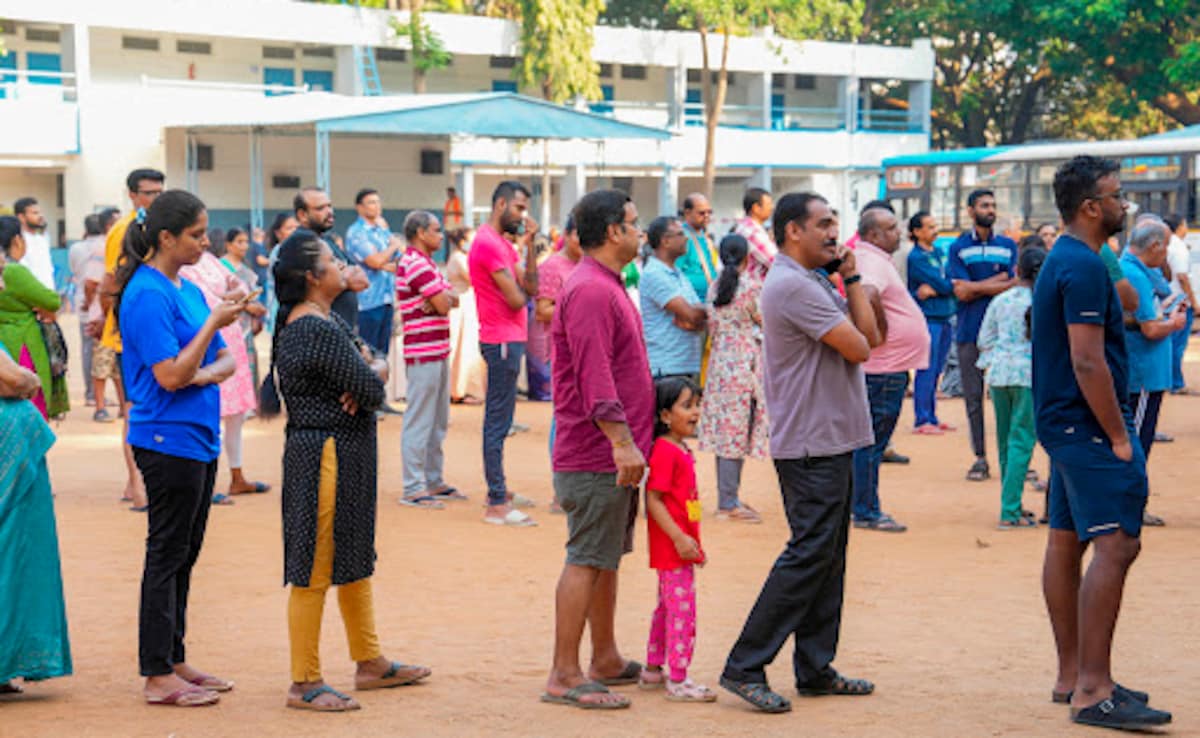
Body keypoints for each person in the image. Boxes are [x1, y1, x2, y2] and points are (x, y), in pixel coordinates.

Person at [720, 192, 880, 713]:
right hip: (812, 441)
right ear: (793, 231)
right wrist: (852, 285)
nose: (834, 234)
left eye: (835, 224)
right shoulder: (792, 285)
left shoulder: (814, 280)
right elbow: (858, 347)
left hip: (830, 435)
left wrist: (852, 279)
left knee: (828, 556)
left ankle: (814, 666)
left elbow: (870, 336)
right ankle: (745, 664)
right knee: (809, 553)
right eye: (824, 225)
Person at [1033, 156, 1172, 731]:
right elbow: (1087, 359)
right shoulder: (1085, 266)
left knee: (1068, 541)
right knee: (1116, 545)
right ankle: (1094, 689)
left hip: (1063, 423)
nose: (1125, 206)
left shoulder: (1068, 258)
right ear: (1092, 207)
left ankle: (1076, 676)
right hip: (1086, 426)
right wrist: (1119, 435)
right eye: (1118, 197)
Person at [264, 229, 429, 713]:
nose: (342, 265)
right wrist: (368, 373)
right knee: (315, 568)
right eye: (332, 261)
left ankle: (369, 660)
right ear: (314, 278)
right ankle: (304, 680)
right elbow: (376, 387)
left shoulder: (320, 319)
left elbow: (373, 370)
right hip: (325, 455)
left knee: (353, 558)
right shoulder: (313, 327)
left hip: (339, 452)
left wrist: (368, 371)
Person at [114, 190, 246, 707]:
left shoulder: (183, 285)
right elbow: (170, 374)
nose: (204, 242)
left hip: (195, 435)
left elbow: (224, 363)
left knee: (184, 555)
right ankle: (155, 671)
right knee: (166, 554)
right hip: (165, 438)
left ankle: (174, 658)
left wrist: (201, 369)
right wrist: (210, 338)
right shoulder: (148, 294)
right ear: (165, 237)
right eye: (195, 234)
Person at [542, 189, 653, 710]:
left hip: (609, 452)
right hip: (596, 452)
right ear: (613, 232)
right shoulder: (590, 289)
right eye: (634, 223)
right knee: (587, 558)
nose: (640, 231)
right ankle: (564, 672)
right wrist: (621, 442)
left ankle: (604, 657)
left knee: (605, 557)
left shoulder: (604, 284)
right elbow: (595, 375)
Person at [0, 255, 72, 696]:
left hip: (15, 459)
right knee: (10, 556)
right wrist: (26, 379)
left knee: (16, 558)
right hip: (9, 465)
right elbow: (12, 381)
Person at [638, 375, 717, 703]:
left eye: (697, 404)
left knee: (668, 607)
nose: (695, 411)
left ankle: (654, 668)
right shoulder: (665, 451)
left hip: (680, 544)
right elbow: (653, 498)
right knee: (683, 610)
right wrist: (681, 539)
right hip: (674, 546)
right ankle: (679, 678)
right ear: (665, 415)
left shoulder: (678, 448)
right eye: (687, 406)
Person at [851, 207, 929, 533]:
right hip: (883, 369)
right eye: (891, 228)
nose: (898, 232)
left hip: (886, 367)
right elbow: (867, 294)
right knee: (871, 444)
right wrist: (879, 333)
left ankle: (862, 506)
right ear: (873, 235)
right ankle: (866, 510)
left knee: (870, 442)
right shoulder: (870, 261)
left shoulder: (874, 258)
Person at [468, 181, 540, 526]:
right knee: (497, 421)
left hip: (509, 337)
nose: (522, 215)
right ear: (500, 204)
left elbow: (531, 288)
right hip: (501, 339)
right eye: (519, 208)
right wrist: (522, 290)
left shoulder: (504, 244)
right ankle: (496, 502)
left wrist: (528, 248)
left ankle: (499, 491)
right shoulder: (488, 243)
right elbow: (516, 299)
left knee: (503, 419)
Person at [179, 236, 269, 504]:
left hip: (229, 338)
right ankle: (209, 481)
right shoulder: (183, 267)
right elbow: (205, 300)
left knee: (236, 414)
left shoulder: (211, 262)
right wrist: (228, 297)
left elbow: (237, 287)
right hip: (207, 340)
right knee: (212, 411)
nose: (204, 241)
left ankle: (237, 475)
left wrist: (228, 297)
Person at [100, 168, 165, 511]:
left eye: (159, 192)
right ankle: (139, 487)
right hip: (128, 339)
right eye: (148, 193)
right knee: (133, 410)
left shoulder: (160, 227)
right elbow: (109, 283)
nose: (154, 198)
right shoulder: (123, 231)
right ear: (132, 195)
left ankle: (136, 482)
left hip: (151, 331)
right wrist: (109, 325)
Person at [949, 189, 1018, 482]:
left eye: (993, 205)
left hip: (1007, 333)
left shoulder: (1009, 245)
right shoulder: (957, 247)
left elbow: (1015, 281)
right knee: (973, 398)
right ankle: (980, 458)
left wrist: (976, 286)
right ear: (970, 210)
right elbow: (959, 290)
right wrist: (997, 281)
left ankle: (1014, 460)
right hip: (969, 332)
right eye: (984, 205)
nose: (991, 210)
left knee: (1013, 398)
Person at [1119, 217, 1185, 529]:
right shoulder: (1133, 273)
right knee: (1138, 444)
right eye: (1165, 248)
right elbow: (1149, 328)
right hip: (1144, 372)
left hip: (1142, 370)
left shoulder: (1133, 268)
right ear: (1155, 246)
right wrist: (1172, 324)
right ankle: (1132, 506)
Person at [697, 233, 767, 524]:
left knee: (727, 432)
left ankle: (729, 496)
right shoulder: (751, 287)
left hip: (720, 362)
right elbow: (763, 319)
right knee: (736, 432)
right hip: (743, 362)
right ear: (747, 257)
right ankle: (728, 501)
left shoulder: (715, 287)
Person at [396, 211, 462, 509]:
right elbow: (445, 303)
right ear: (421, 233)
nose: (441, 234)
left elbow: (452, 298)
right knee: (421, 420)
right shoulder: (415, 263)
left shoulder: (425, 264)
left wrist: (443, 298)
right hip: (424, 350)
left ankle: (432, 480)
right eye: (436, 230)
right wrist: (442, 299)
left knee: (437, 421)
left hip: (436, 348)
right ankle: (413, 486)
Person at [977, 245, 1045, 529]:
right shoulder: (1046, 302)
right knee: (1022, 441)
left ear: (1017, 271)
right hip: (1028, 377)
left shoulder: (1002, 300)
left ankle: (1012, 502)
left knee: (1006, 442)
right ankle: (1010, 510)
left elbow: (984, 338)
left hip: (999, 375)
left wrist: (995, 358)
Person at [0, 217, 68, 420]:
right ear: (17, 240)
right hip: (23, 344)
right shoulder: (14, 270)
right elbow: (51, 300)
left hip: (6, 341)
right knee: (30, 405)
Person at [906, 211, 956, 434]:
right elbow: (946, 284)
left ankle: (932, 416)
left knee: (937, 369)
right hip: (928, 319)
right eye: (929, 227)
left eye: (935, 226)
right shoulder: (916, 257)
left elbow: (950, 281)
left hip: (944, 315)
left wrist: (942, 287)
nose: (935, 230)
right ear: (917, 232)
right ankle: (922, 418)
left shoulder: (938, 252)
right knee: (926, 368)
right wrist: (944, 287)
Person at [293, 187, 370, 330]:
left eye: (329, 206)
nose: (329, 212)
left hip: (344, 328)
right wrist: (344, 276)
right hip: (321, 330)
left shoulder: (328, 241)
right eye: (320, 208)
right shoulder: (301, 244)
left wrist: (340, 275)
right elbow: (323, 283)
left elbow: (361, 279)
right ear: (302, 214)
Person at [640, 216, 707, 379]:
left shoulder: (678, 273)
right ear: (666, 241)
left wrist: (698, 317)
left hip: (683, 365)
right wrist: (696, 315)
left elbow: (697, 317)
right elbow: (692, 314)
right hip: (667, 368)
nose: (686, 239)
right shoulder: (654, 274)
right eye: (680, 234)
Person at [536, 215, 582, 456]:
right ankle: (560, 472)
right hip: (563, 352)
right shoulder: (552, 266)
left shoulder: (587, 264)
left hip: (586, 349)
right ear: (566, 234)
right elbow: (543, 311)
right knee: (563, 415)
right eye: (578, 235)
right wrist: (579, 311)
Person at [346, 188, 400, 359]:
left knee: (382, 356)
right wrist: (390, 250)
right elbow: (375, 261)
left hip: (386, 299)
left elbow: (399, 257)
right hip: (367, 302)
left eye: (378, 202)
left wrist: (382, 261)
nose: (376, 206)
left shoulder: (381, 231)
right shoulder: (356, 233)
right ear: (359, 208)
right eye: (371, 202)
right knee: (367, 355)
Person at [220, 228, 267, 390]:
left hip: (246, 327)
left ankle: (249, 405)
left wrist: (258, 310)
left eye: (246, 242)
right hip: (227, 325)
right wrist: (246, 306)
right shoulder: (220, 268)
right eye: (239, 242)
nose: (244, 246)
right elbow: (218, 296)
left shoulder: (247, 271)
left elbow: (255, 297)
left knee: (247, 362)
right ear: (228, 245)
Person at [446, 227, 484, 404]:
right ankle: (456, 389)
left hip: (467, 304)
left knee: (467, 348)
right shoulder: (459, 259)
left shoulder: (462, 258)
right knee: (459, 347)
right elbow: (474, 279)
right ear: (462, 241)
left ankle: (463, 388)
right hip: (460, 306)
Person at [70, 214, 105, 406]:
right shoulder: (104, 245)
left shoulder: (76, 248)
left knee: (86, 349)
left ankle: (91, 393)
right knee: (104, 351)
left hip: (83, 302)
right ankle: (100, 395)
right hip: (99, 303)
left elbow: (75, 271)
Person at [1162, 215, 1194, 394]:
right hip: (1180, 302)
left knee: (1170, 343)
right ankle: (1176, 383)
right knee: (1178, 344)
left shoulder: (1168, 245)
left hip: (1167, 300)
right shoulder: (1179, 247)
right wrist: (1193, 302)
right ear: (1180, 226)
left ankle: (1169, 380)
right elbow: (1182, 277)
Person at [677, 193, 718, 299]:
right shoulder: (682, 237)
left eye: (709, 212)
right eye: (702, 213)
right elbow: (675, 274)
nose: (707, 216)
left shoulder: (702, 235)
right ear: (687, 213)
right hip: (692, 302)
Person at [265, 212, 299, 336]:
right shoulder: (280, 251)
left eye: (297, 227)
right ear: (278, 233)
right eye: (289, 228)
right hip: (281, 306)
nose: (294, 231)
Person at [13, 197, 55, 291]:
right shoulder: (18, 241)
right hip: (31, 299)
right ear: (21, 217)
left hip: (48, 295)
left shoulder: (42, 239)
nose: (40, 216)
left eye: (40, 212)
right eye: (35, 213)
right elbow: (23, 274)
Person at [733, 187, 776, 276]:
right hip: (754, 287)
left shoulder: (748, 227)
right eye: (769, 204)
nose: (772, 207)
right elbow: (775, 261)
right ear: (756, 208)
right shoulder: (752, 231)